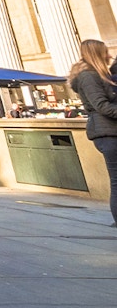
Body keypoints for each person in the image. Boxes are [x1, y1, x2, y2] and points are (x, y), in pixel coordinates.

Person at [74, 39, 117, 227]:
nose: (109, 56)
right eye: (105, 52)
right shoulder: (88, 77)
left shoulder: (99, 74)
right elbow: (101, 106)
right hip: (107, 133)